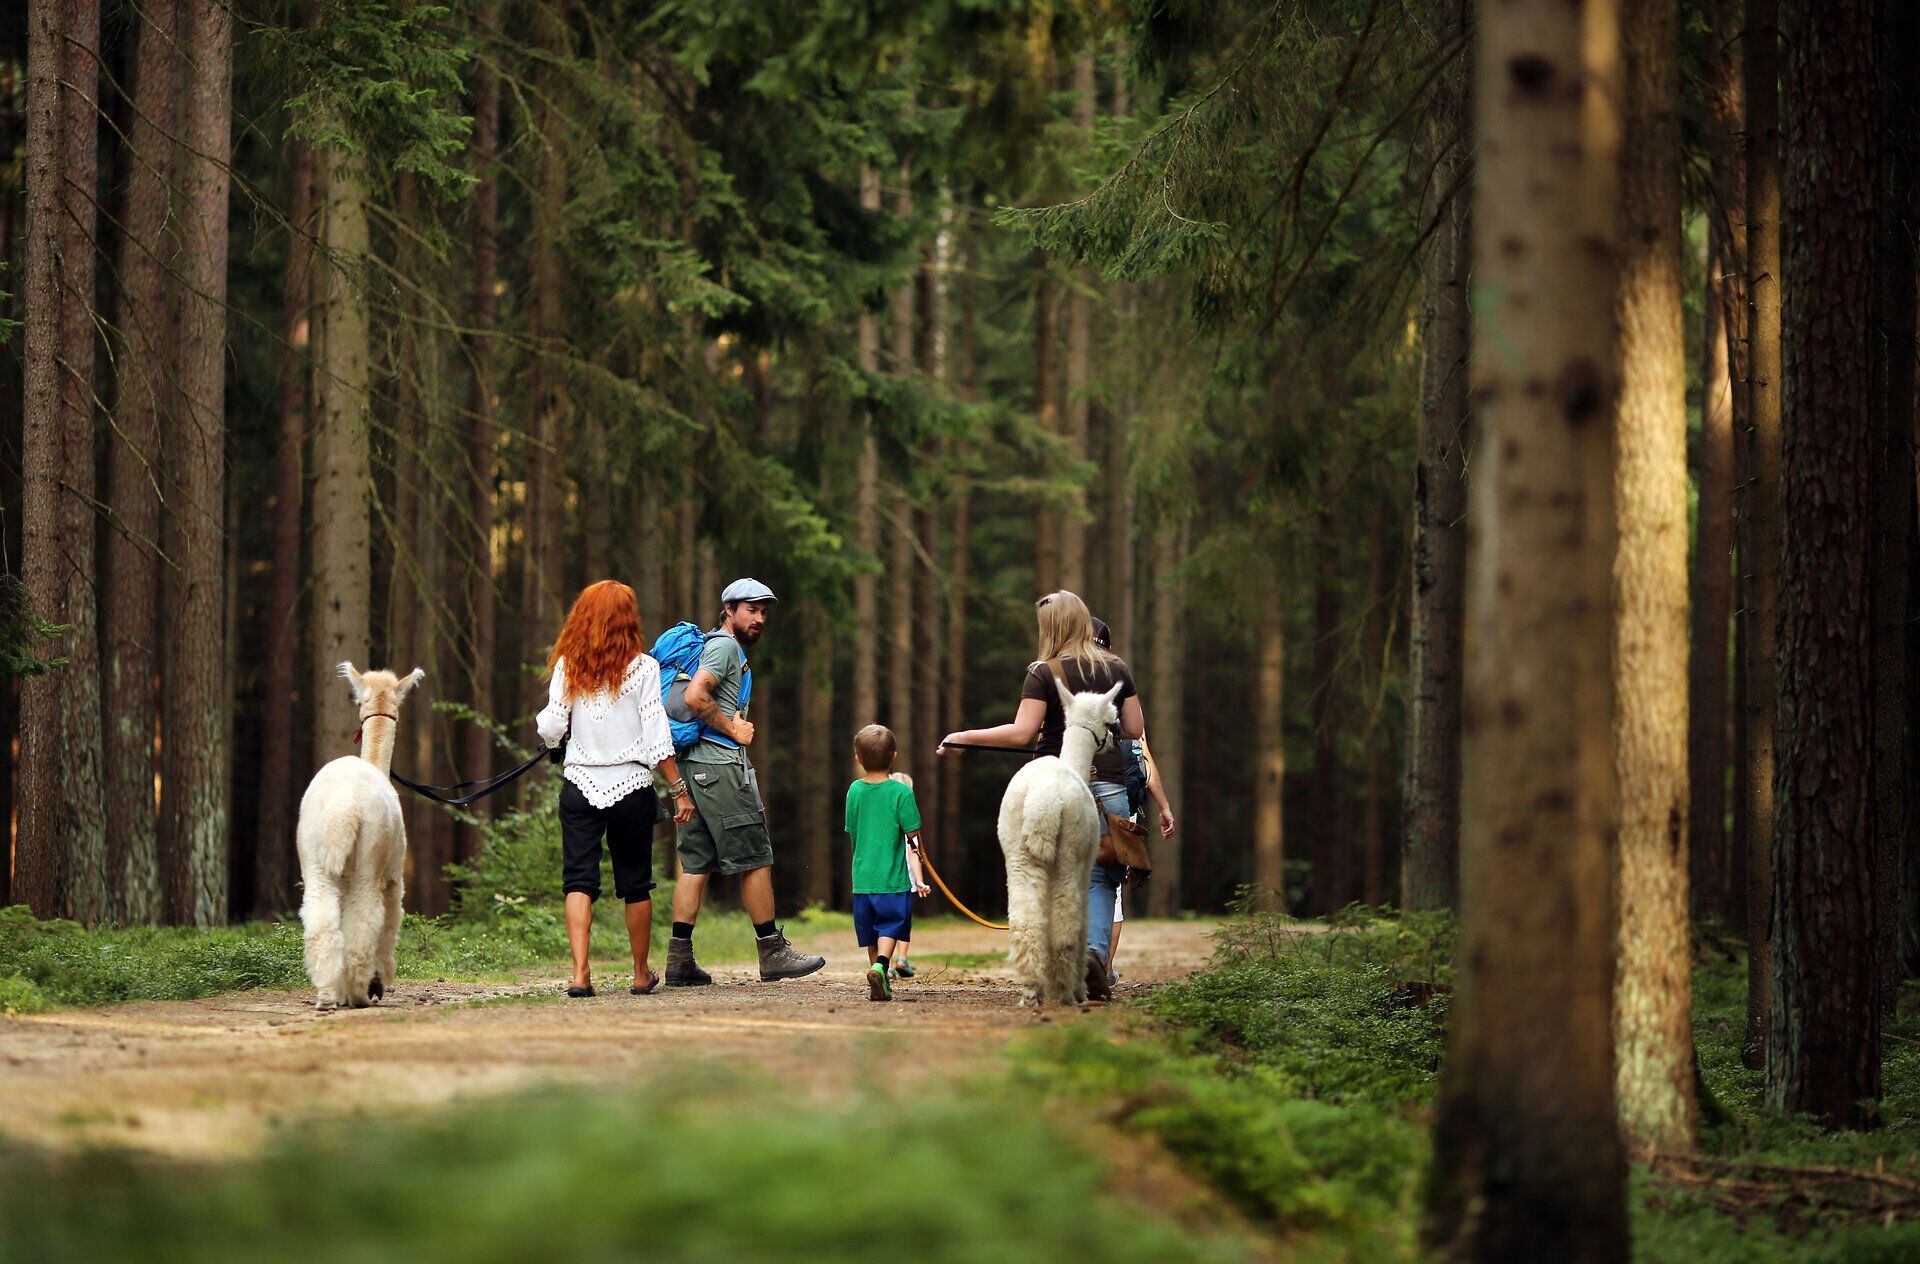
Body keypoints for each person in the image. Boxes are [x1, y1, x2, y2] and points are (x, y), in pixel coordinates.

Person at [938, 590, 1146, 1002]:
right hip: (1109, 784)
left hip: (1049, 780)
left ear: (1051, 627)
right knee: (1101, 877)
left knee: (1034, 873)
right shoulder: (1116, 667)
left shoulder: (1043, 671)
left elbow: (1021, 732)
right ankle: (1092, 956)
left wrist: (963, 736)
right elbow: (1135, 727)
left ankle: (1038, 972)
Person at [535, 580, 697, 998]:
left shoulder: (569, 665)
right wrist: (678, 789)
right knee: (636, 883)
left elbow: (553, 725)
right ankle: (641, 974)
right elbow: (657, 737)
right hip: (632, 788)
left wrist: (552, 743)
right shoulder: (644, 668)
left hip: (579, 785)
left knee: (578, 880)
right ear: (628, 619)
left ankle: (579, 974)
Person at [666, 578, 826, 986]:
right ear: (729, 610)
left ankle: (679, 960)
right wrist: (733, 730)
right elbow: (695, 698)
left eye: (764, 612)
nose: (759, 618)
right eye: (751, 610)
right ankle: (772, 951)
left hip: (693, 767)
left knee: (695, 862)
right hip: (719, 766)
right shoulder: (724, 647)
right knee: (756, 857)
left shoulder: (715, 646)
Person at [847, 726, 930, 1001]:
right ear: (894, 756)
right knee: (891, 925)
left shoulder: (854, 791)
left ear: (858, 758)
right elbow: (913, 834)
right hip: (892, 880)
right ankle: (882, 965)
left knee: (871, 930)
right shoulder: (901, 792)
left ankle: (876, 970)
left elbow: (852, 829)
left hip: (862, 879)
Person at [887, 771, 922, 978]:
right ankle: (901, 958)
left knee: (885, 922)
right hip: (905, 882)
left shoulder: (885, 820)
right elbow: (915, 853)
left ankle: (888, 964)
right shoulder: (910, 823)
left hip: (885, 879)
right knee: (903, 921)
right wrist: (918, 880)